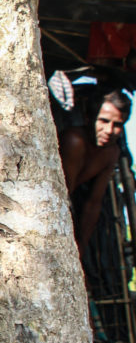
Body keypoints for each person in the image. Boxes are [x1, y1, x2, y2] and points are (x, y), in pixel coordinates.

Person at [59, 90, 130, 254]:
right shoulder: (74, 141)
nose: (109, 130)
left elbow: (94, 203)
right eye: (104, 121)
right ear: (88, 118)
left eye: (118, 125)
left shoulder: (111, 153)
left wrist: (81, 246)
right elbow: (64, 194)